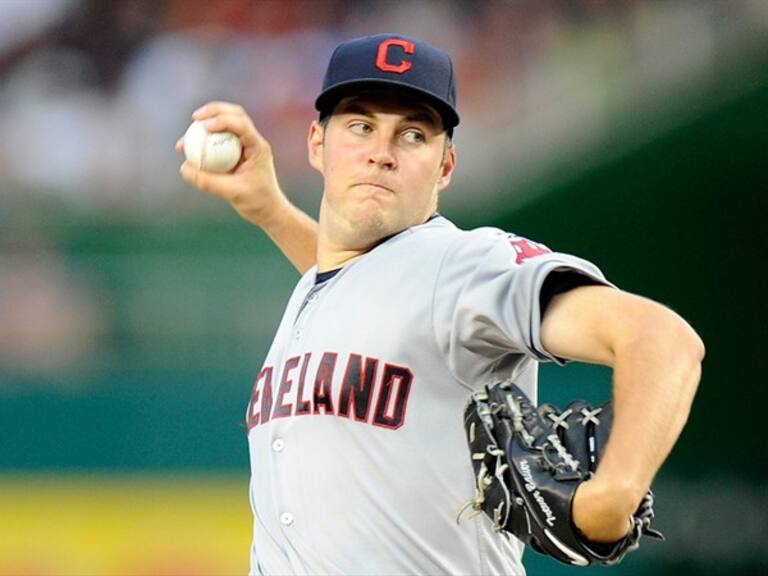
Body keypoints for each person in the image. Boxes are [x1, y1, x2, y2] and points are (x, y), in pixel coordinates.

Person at [177, 33, 704, 576]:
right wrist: (270, 209)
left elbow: (663, 340)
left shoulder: (464, 264)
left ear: (445, 166)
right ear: (317, 143)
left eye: (412, 135)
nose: (381, 152)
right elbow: (357, 287)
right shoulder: (327, 286)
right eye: (361, 126)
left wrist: (612, 495)